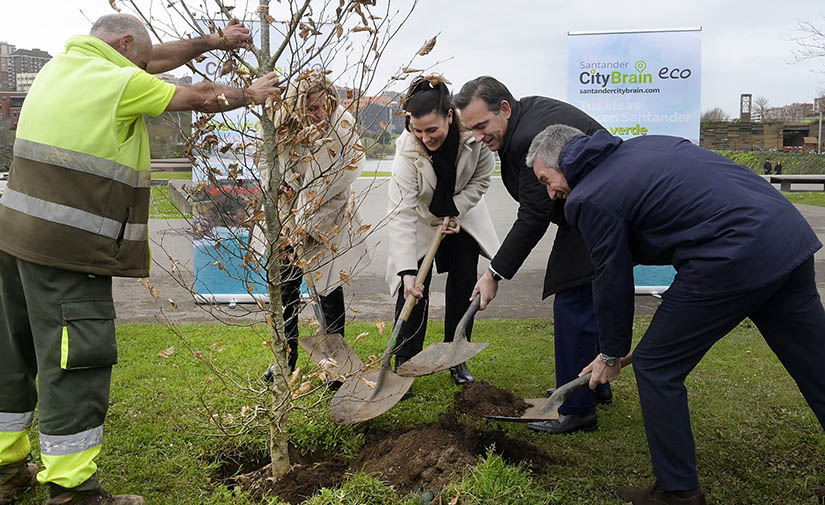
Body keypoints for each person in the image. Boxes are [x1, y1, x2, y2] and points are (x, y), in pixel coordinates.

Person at [0, 14, 280, 505]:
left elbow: (156, 58)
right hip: (70, 250)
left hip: (13, 241)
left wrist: (213, 41)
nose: (148, 68)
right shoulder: (119, 81)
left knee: (11, 352)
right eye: (141, 58)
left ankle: (5, 469)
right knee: (75, 359)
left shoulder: (62, 67)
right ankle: (73, 493)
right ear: (125, 44)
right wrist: (249, 95)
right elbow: (193, 97)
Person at [526, 124, 825, 505]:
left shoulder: (588, 197)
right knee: (816, 360)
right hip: (786, 237)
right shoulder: (642, 147)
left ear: (563, 161)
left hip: (732, 253)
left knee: (656, 366)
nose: (551, 193)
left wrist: (611, 352)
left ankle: (678, 492)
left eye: (546, 180)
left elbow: (611, 278)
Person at [454, 76, 611, 434]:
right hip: (590, 210)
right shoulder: (525, 117)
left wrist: (494, 274)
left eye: (482, 126)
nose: (478, 137)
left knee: (572, 299)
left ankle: (576, 409)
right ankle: (592, 384)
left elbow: (533, 217)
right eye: (471, 130)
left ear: (504, 109)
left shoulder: (529, 137)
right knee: (589, 300)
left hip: (595, 212)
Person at [386, 75, 499, 385]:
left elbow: (482, 180)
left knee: (463, 284)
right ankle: (405, 362)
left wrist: (456, 208)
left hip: (462, 217)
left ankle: (456, 356)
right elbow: (401, 213)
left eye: (432, 130)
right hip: (422, 220)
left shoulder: (475, 137)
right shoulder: (406, 152)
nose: (425, 138)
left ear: (450, 115)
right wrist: (407, 271)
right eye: (417, 130)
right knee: (412, 289)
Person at [261, 72, 372, 373]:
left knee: (328, 290)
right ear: (298, 107)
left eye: (326, 105)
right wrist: (277, 183)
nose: (320, 114)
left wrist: (307, 215)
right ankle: (286, 359)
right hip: (287, 217)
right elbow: (267, 161)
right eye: (312, 109)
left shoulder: (343, 126)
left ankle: (336, 365)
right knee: (286, 289)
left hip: (325, 218)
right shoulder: (282, 124)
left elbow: (348, 170)